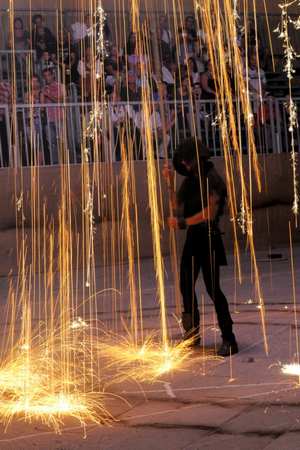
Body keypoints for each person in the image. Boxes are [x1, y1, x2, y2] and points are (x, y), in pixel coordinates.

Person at [162, 138, 238, 357]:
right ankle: (192, 334)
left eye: (186, 162)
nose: (184, 167)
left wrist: (184, 223)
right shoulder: (191, 180)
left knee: (213, 288)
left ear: (195, 160)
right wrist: (169, 182)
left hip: (209, 238)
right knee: (186, 285)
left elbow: (209, 213)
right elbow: (177, 207)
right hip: (193, 239)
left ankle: (229, 339)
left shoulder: (212, 179)